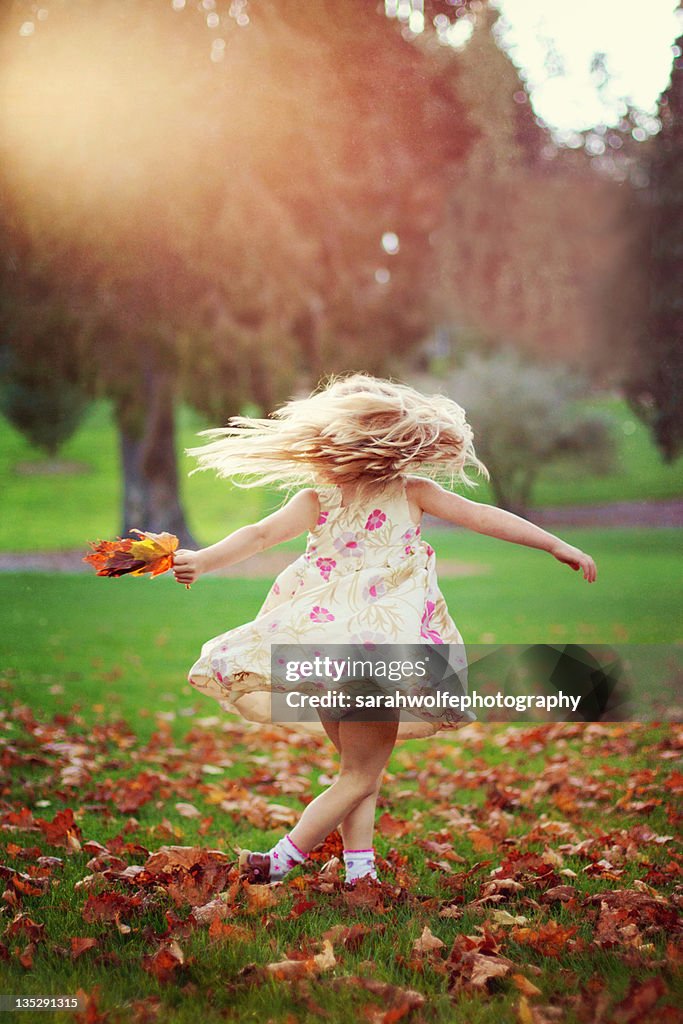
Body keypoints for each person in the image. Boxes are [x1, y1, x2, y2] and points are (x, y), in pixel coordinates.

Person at [173, 373, 597, 885]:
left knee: (358, 773)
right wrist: (556, 544)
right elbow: (482, 516)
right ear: (398, 444)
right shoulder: (409, 493)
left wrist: (205, 558)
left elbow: (260, 535)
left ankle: (360, 873)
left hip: (327, 658)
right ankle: (282, 859)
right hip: (378, 659)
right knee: (359, 774)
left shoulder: (317, 501)